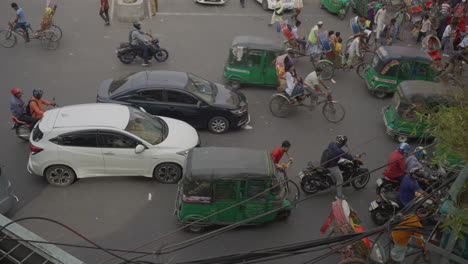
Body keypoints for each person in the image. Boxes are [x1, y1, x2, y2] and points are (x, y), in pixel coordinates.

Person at [322, 135, 359, 200]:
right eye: (345, 142)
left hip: (325, 159)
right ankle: (339, 196)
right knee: (340, 179)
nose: (345, 143)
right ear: (342, 143)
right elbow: (348, 157)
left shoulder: (332, 143)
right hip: (331, 165)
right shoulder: (339, 151)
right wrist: (354, 157)